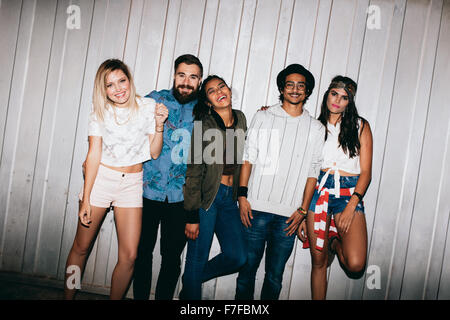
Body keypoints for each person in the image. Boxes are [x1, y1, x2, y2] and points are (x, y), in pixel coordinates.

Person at [64, 59, 168, 300]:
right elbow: (93, 154)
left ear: (130, 80)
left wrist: (159, 125)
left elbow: (153, 152)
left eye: (122, 81)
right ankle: (68, 297)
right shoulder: (99, 111)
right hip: (102, 180)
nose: (118, 89)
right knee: (81, 248)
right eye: (110, 85)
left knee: (130, 256)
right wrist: (87, 197)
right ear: (103, 90)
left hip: (131, 184)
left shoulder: (147, 106)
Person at [235, 64, 325, 300]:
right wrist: (242, 196)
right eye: (290, 84)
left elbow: (312, 172)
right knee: (246, 272)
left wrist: (303, 210)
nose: (295, 90)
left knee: (274, 277)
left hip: (289, 215)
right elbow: (248, 158)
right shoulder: (263, 116)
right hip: (255, 210)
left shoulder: (316, 128)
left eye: (301, 85)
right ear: (282, 88)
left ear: (307, 92)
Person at [132, 54, 203, 300]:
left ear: (199, 80)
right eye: (182, 75)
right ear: (174, 75)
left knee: (171, 259)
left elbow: (230, 122)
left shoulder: (205, 110)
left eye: (192, 77)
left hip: (180, 198)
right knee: (141, 253)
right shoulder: (154, 100)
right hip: (146, 192)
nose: (186, 81)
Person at [301, 75, 373, 300]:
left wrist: (353, 204)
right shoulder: (313, 126)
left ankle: (333, 242)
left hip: (347, 194)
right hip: (318, 193)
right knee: (318, 263)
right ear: (327, 94)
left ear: (349, 102)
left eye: (344, 98)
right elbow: (305, 171)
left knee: (355, 263)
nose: (337, 101)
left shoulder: (360, 126)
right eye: (334, 94)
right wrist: (303, 212)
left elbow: (366, 172)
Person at [179, 75, 248, 300]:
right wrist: (191, 214)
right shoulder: (204, 124)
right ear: (207, 101)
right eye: (211, 91)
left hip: (230, 199)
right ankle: (191, 292)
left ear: (229, 88)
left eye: (222, 86)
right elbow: (194, 171)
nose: (219, 91)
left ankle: (191, 281)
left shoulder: (241, 119)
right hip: (207, 198)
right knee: (197, 257)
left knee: (238, 256)